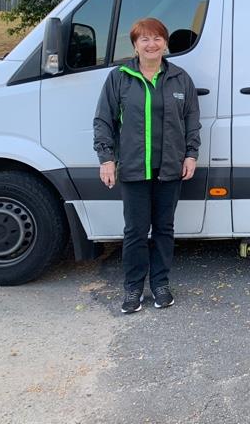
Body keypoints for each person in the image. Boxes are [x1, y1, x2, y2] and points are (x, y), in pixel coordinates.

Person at [93, 17, 200, 314]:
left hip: (169, 169)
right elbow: (104, 121)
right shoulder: (120, 78)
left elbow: (192, 121)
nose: (151, 44)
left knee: (164, 229)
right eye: (145, 39)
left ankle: (161, 284)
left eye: (157, 38)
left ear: (165, 44)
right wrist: (107, 159)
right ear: (135, 45)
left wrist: (191, 154)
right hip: (133, 169)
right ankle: (132, 288)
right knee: (136, 232)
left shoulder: (180, 78)